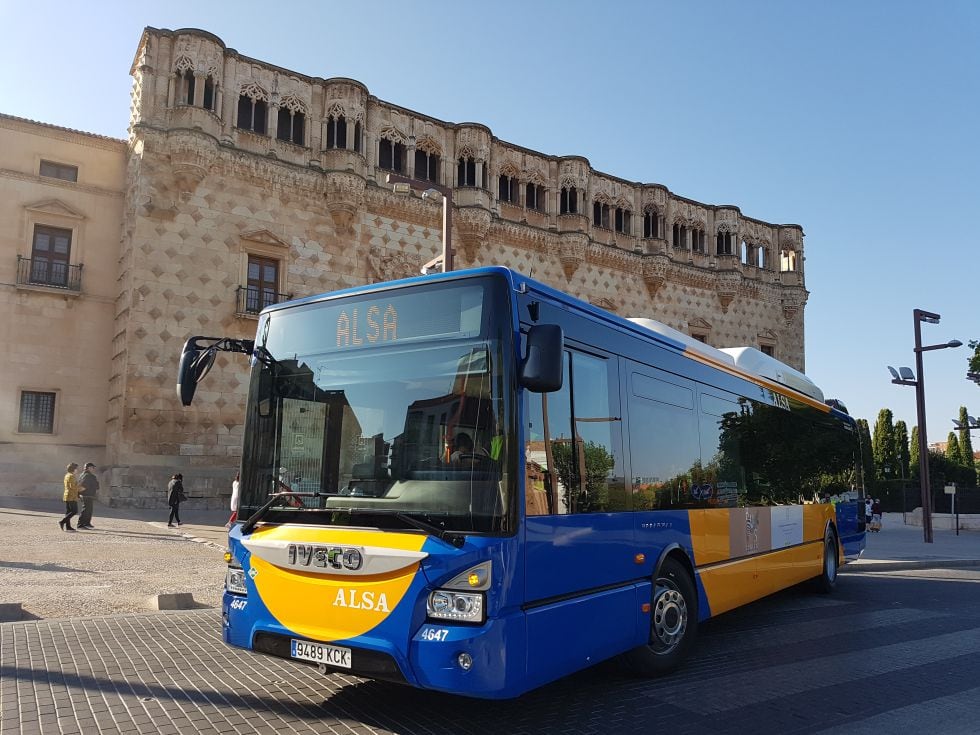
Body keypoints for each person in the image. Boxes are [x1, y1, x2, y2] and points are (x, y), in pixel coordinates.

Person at [77, 462, 100, 530]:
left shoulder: (82, 475)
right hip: (87, 495)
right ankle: (80, 524)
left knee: (89, 510)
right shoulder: (88, 476)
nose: (93, 469)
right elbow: (84, 486)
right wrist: (80, 494)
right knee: (86, 510)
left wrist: (79, 494)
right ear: (89, 468)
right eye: (93, 468)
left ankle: (87, 523)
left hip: (88, 495)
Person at [60, 462, 80, 531]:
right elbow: (73, 486)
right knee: (74, 511)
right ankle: (62, 522)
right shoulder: (71, 476)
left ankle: (68, 527)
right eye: (76, 469)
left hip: (67, 495)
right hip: (71, 496)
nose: (77, 470)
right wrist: (81, 488)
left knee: (68, 511)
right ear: (73, 469)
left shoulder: (67, 475)